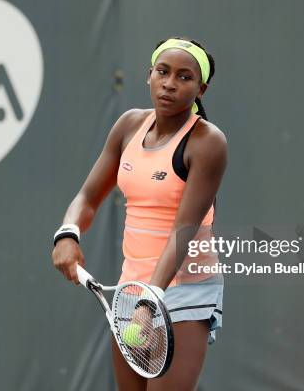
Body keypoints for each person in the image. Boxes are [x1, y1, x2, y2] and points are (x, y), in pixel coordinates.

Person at [52, 37, 228, 390]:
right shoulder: (129, 125)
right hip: (131, 288)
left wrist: (151, 301)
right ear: (149, 75)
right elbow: (88, 196)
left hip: (182, 290)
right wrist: (67, 233)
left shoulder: (208, 143)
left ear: (201, 88)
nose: (170, 83)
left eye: (184, 77)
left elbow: (186, 229)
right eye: (162, 72)